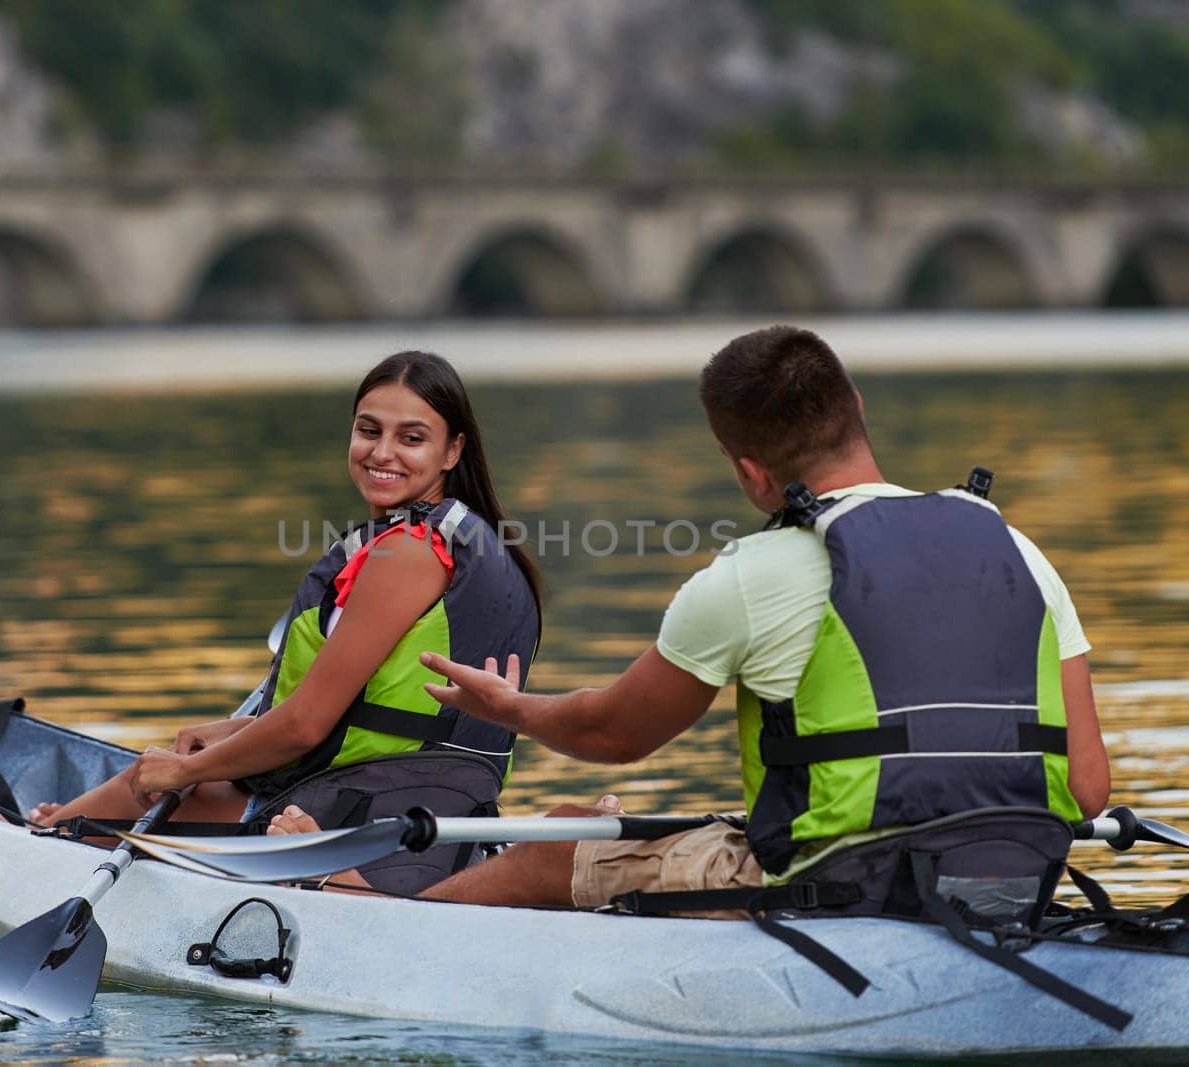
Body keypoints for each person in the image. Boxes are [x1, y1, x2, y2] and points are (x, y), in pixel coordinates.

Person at [287, 325, 1109, 914]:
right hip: (1013, 876)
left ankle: (394, 919)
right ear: (856, 405)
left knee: (557, 844)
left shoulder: (751, 576)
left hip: (839, 888)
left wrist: (510, 711)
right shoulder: (1017, 549)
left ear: (750, 473)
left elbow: (614, 734)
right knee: (593, 825)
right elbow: (1086, 787)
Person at [0, 351, 542, 891]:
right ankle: (59, 829)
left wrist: (189, 768)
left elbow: (306, 725)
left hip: (365, 817)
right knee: (186, 765)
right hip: (424, 816)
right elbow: (363, 711)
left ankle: (36, 845)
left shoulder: (406, 552)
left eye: (410, 438)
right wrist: (226, 734)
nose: (381, 453)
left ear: (452, 450)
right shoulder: (468, 542)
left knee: (165, 780)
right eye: (367, 431)